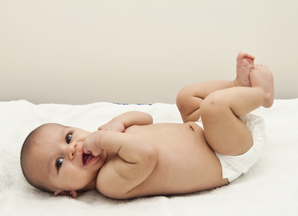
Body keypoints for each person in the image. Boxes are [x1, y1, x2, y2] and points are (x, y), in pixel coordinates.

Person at [20, 52, 274, 199]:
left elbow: (147, 120)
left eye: (67, 138)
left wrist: (119, 122)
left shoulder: (107, 137)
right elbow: (146, 154)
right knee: (213, 107)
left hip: (206, 132)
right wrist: (107, 139)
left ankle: (238, 88)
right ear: (66, 192)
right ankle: (263, 95)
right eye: (59, 163)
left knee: (185, 97)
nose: (71, 149)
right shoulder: (108, 183)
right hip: (225, 156)